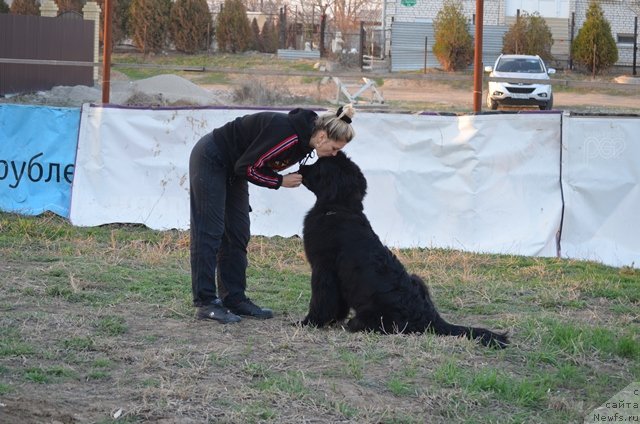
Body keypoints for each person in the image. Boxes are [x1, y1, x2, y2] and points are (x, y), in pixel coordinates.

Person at [189, 104, 357, 323]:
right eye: (334, 148)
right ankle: (206, 303)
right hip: (212, 157)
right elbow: (247, 167)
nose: (334, 154)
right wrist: (279, 181)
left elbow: (249, 164)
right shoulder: (287, 135)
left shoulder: (308, 140)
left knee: (237, 232)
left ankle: (234, 298)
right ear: (323, 136)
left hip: (234, 166)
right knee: (209, 232)